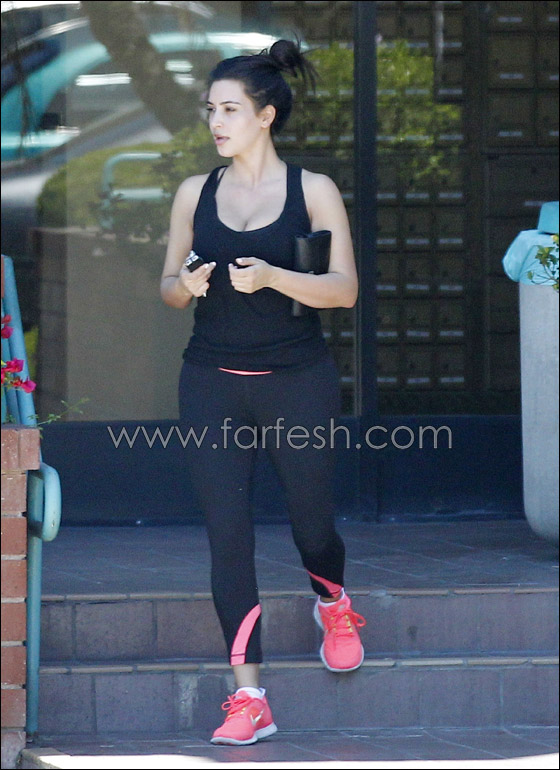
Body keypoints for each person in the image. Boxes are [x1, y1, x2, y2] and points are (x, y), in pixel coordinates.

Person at [160, 38, 365, 746]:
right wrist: (184, 286)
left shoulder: (313, 191)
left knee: (311, 522)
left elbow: (344, 290)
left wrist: (275, 276)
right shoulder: (195, 193)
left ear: (266, 114)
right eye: (210, 109)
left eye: (229, 109)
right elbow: (167, 288)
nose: (215, 122)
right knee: (228, 536)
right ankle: (250, 698)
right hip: (210, 382)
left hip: (297, 382)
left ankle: (332, 600)